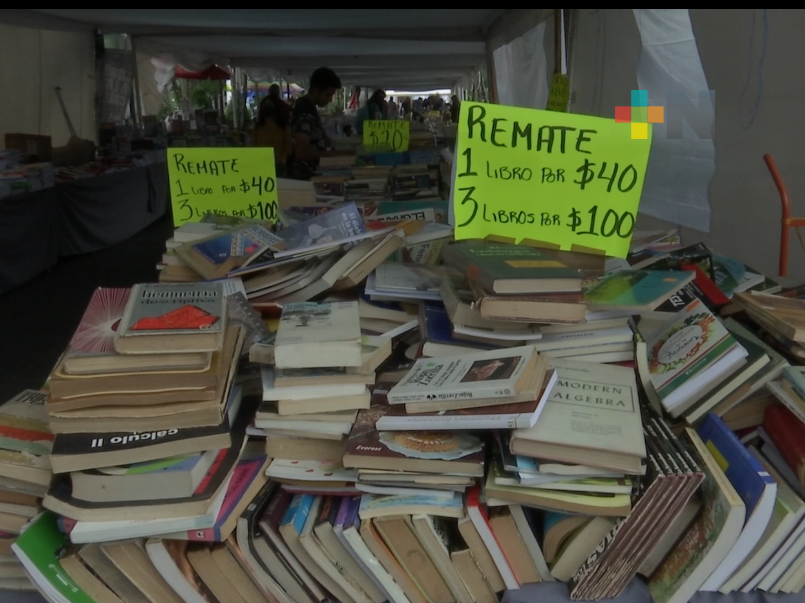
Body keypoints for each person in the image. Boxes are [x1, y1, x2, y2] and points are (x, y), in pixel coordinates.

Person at [287, 67, 342, 181]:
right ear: (316, 90)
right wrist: (337, 154)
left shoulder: (308, 107)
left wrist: (321, 139)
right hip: (303, 177)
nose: (330, 99)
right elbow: (301, 152)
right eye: (328, 95)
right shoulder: (306, 111)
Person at [252, 93, 292, 177]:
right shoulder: (258, 127)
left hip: (279, 165)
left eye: (270, 105)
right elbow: (254, 145)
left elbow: (288, 146)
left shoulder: (283, 127)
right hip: (261, 165)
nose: (268, 107)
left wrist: (283, 159)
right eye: (266, 105)